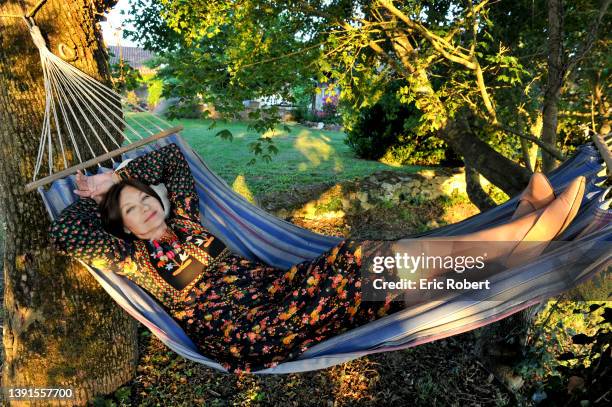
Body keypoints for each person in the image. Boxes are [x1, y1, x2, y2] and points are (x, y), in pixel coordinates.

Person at [48, 143, 586, 373]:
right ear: (121, 227)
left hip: (281, 293)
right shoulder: (134, 258)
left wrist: (117, 178)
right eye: (132, 210)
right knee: (359, 271)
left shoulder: (185, 215)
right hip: (246, 330)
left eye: (146, 199)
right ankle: (524, 232)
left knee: (362, 266)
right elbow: (66, 232)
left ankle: (516, 237)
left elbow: (171, 157)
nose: (144, 211)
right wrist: (97, 192)